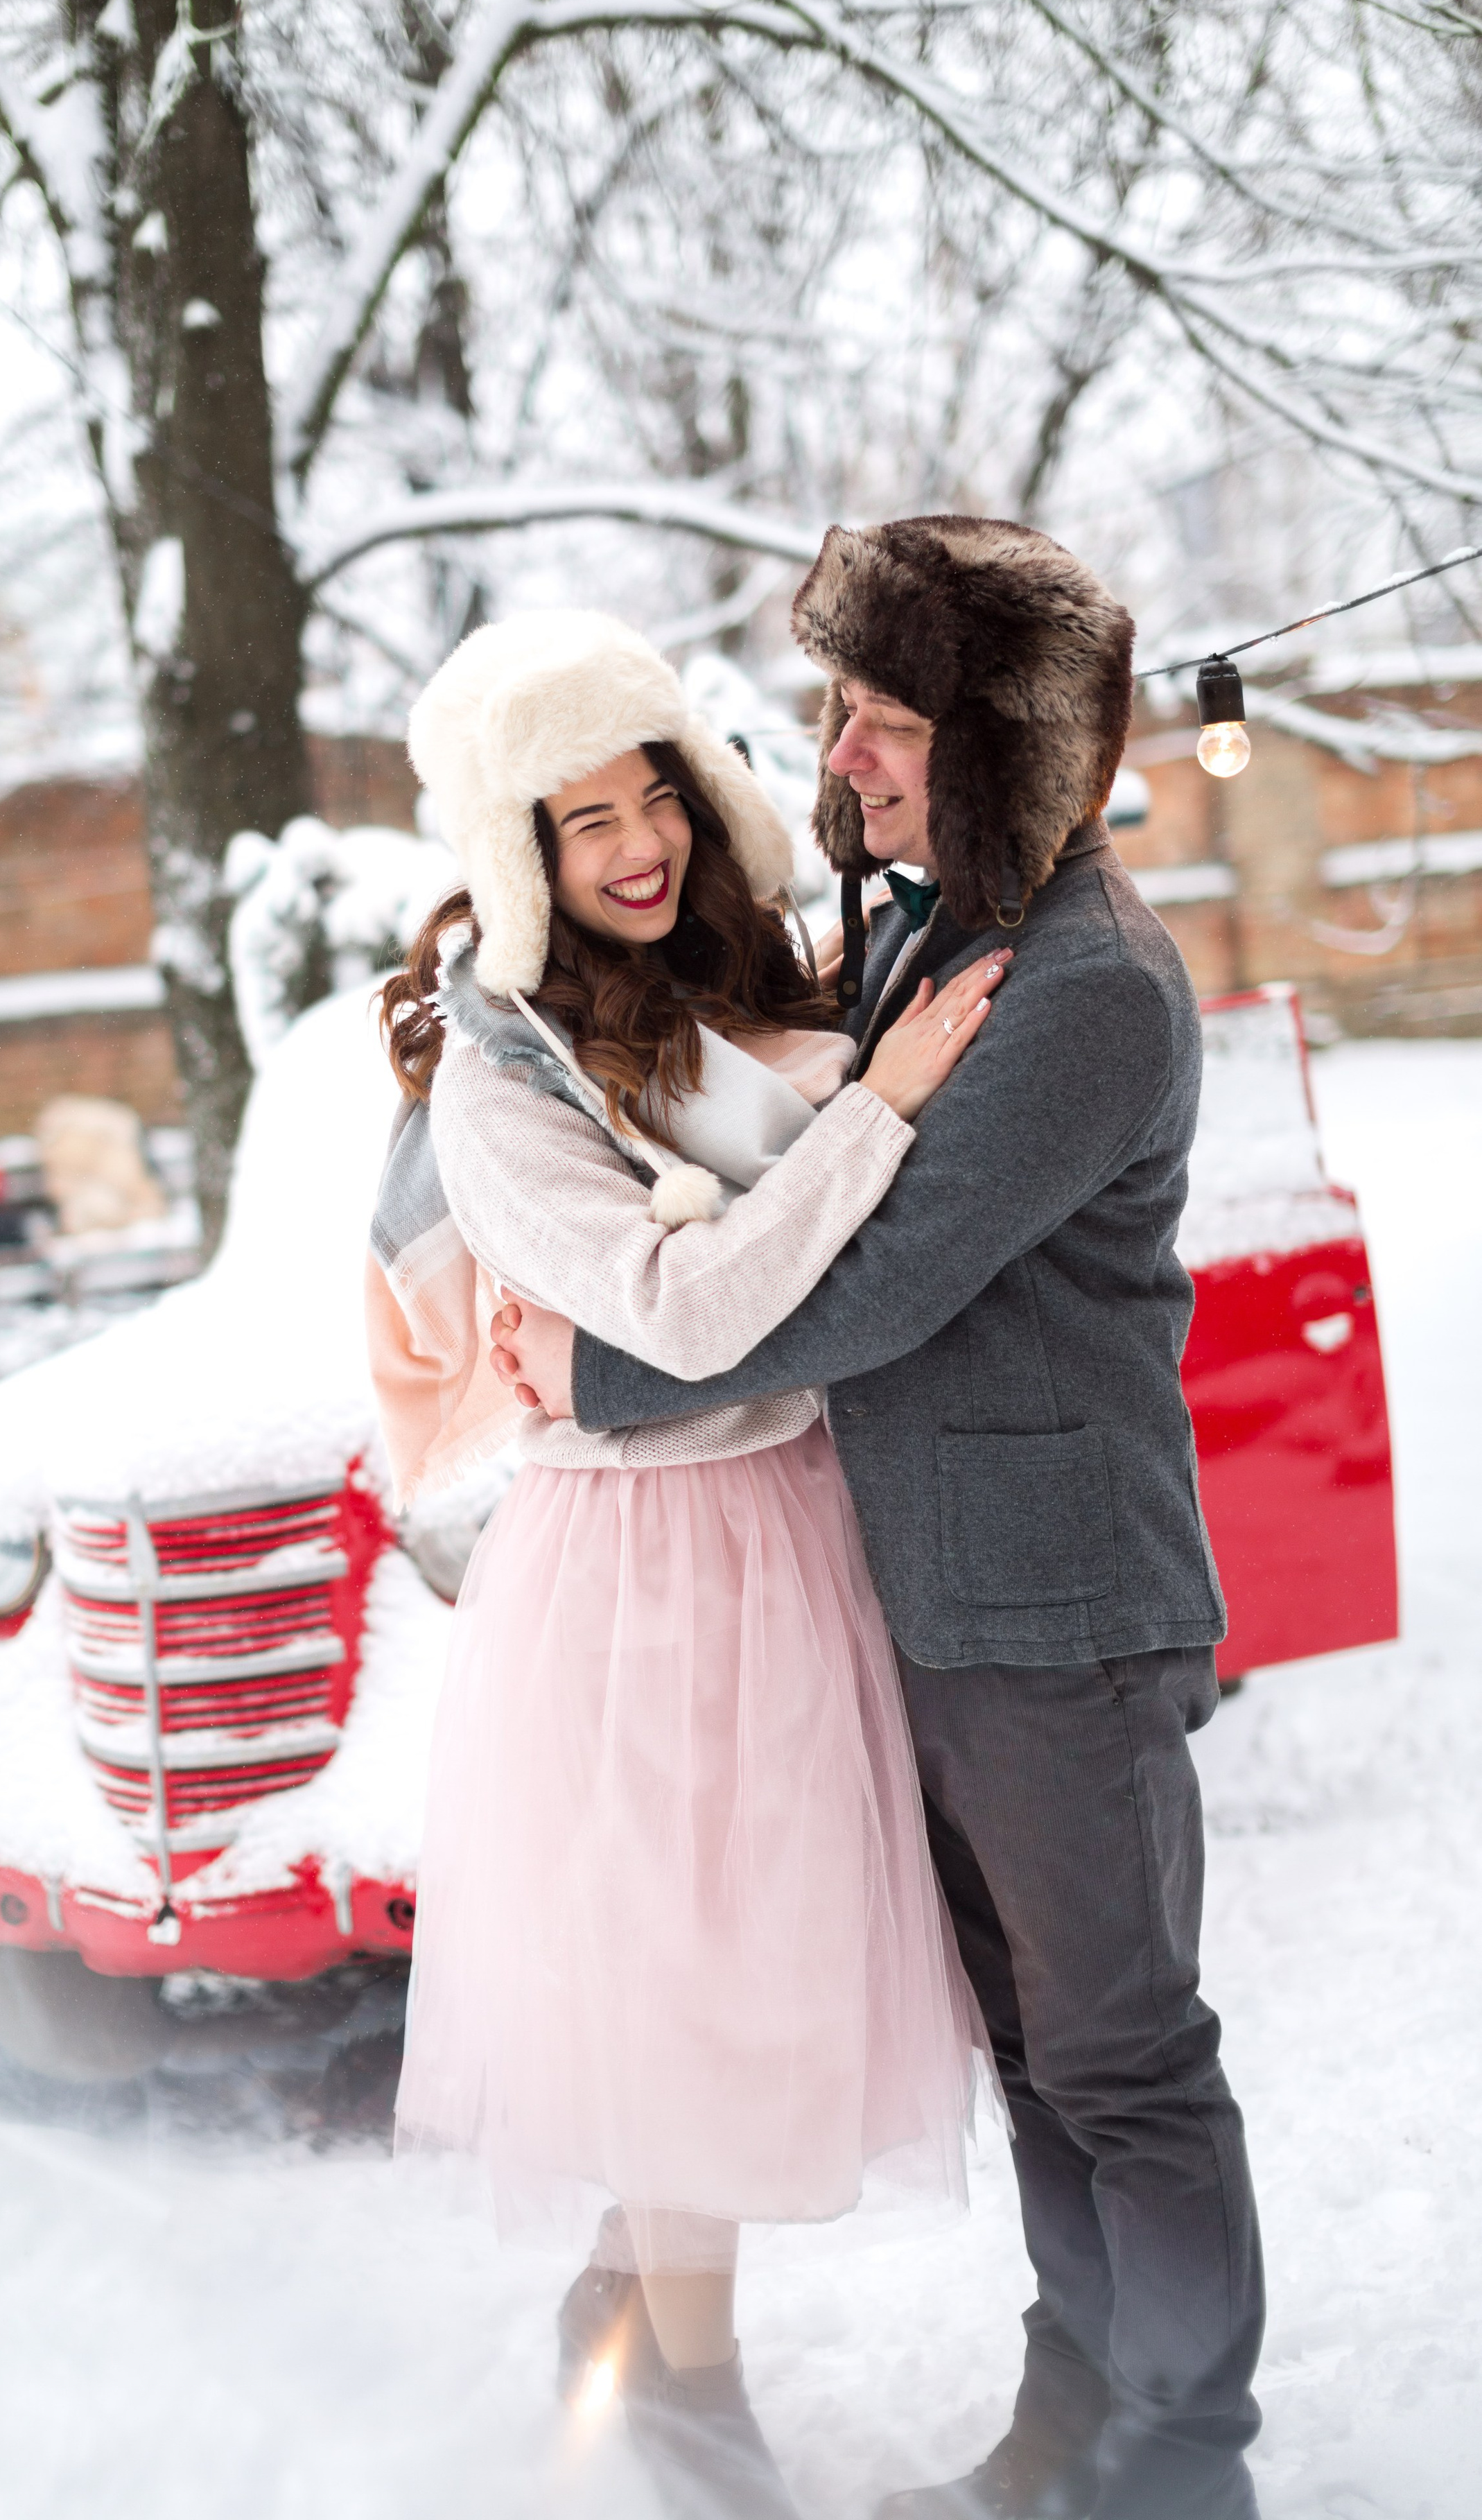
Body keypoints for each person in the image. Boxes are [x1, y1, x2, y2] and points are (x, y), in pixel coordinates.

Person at [489, 521, 1266, 2520]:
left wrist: (598, 1378)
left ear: (1001, 746)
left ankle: (1179, 2459)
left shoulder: (1079, 984)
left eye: (885, 721)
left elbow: (871, 1283)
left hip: (1059, 1608)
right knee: (1045, 2064)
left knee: (1124, 2063)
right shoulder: (939, 926)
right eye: (840, 713)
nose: (840, 757)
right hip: (942, 1596)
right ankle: (1072, 2432)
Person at [367, 608, 1004, 2520]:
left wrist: (861, 1059)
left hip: (790, 1532)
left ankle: (629, 2316)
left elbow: (793, 1242)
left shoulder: (720, 1004)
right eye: (583, 821)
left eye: (658, 794)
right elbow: (694, 1303)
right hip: (640, 1575)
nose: (638, 845)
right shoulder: (501, 1084)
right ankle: (690, 2406)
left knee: (758, 1972)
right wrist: (882, 1106)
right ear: (514, 850)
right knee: (684, 1984)